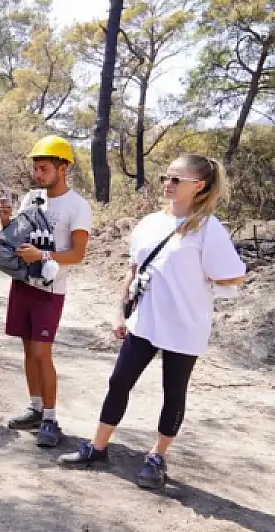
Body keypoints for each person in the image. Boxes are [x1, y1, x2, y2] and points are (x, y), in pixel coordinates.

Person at [60, 155, 246, 488]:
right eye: (166, 177)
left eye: (177, 179)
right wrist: (121, 311)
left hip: (184, 326)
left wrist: (202, 281)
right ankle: (98, 447)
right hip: (144, 321)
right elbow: (133, 270)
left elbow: (233, 277)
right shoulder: (149, 223)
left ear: (198, 186)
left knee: (173, 393)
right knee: (119, 382)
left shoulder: (207, 228)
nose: (168, 184)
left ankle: (157, 456)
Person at [1, 135, 92, 447]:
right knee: (28, 350)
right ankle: (36, 408)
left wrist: (43, 256)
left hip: (50, 290)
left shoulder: (78, 206)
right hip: (23, 283)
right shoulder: (32, 198)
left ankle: (52, 419)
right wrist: (6, 223)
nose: (37, 175)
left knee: (42, 352)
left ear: (62, 167)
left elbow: (78, 254)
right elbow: (19, 236)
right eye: (36, 169)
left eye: (43, 169)